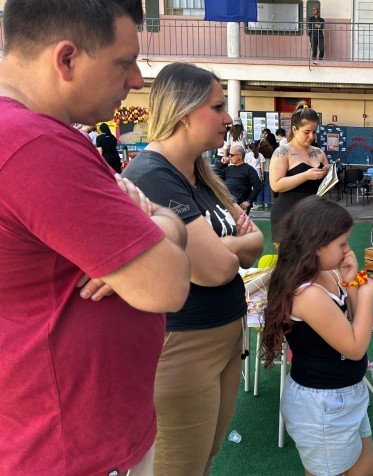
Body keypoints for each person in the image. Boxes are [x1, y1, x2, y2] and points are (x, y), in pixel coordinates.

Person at [0, 0, 191, 474]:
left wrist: (156, 223)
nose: (136, 80)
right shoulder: (34, 145)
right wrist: (155, 224)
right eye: (124, 62)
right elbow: (167, 284)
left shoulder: (38, 137)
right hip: (68, 443)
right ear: (67, 59)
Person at [122, 62, 264, 475]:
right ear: (184, 112)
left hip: (221, 336)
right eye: (218, 107)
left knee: (203, 457)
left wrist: (224, 246)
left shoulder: (200, 173)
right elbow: (216, 270)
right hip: (184, 343)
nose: (229, 118)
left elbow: (256, 245)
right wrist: (229, 248)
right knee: (177, 465)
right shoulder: (152, 175)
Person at [261, 196, 373, 476]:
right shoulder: (307, 294)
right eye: (342, 243)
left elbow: (351, 320)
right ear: (316, 246)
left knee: (366, 467)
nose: (347, 249)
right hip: (323, 404)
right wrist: (366, 294)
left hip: (345, 393)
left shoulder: (328, 274)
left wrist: (352, 282)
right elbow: (355, 347)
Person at [269, 105, 328, 244]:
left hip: (313, 215)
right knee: (289, 263)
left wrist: (329, 172)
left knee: (314, 262)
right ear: (294, 129)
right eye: (306, 132)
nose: (311, 136)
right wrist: (306, 176)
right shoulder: (282, 152)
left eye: (314, 132)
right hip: (286, 214)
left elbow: (324, 187)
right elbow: (276, 185)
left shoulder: (319, 152)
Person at [214, 145, 264, 213]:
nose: (229, 157)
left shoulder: (249, 169)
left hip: (238, 200)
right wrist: (221, 163)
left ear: (240, 156)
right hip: (225, 197)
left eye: (232, 155)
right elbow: (214, 176)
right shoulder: (229, 169)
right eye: (229, 154)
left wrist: (248, 201)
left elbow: (258, 186)